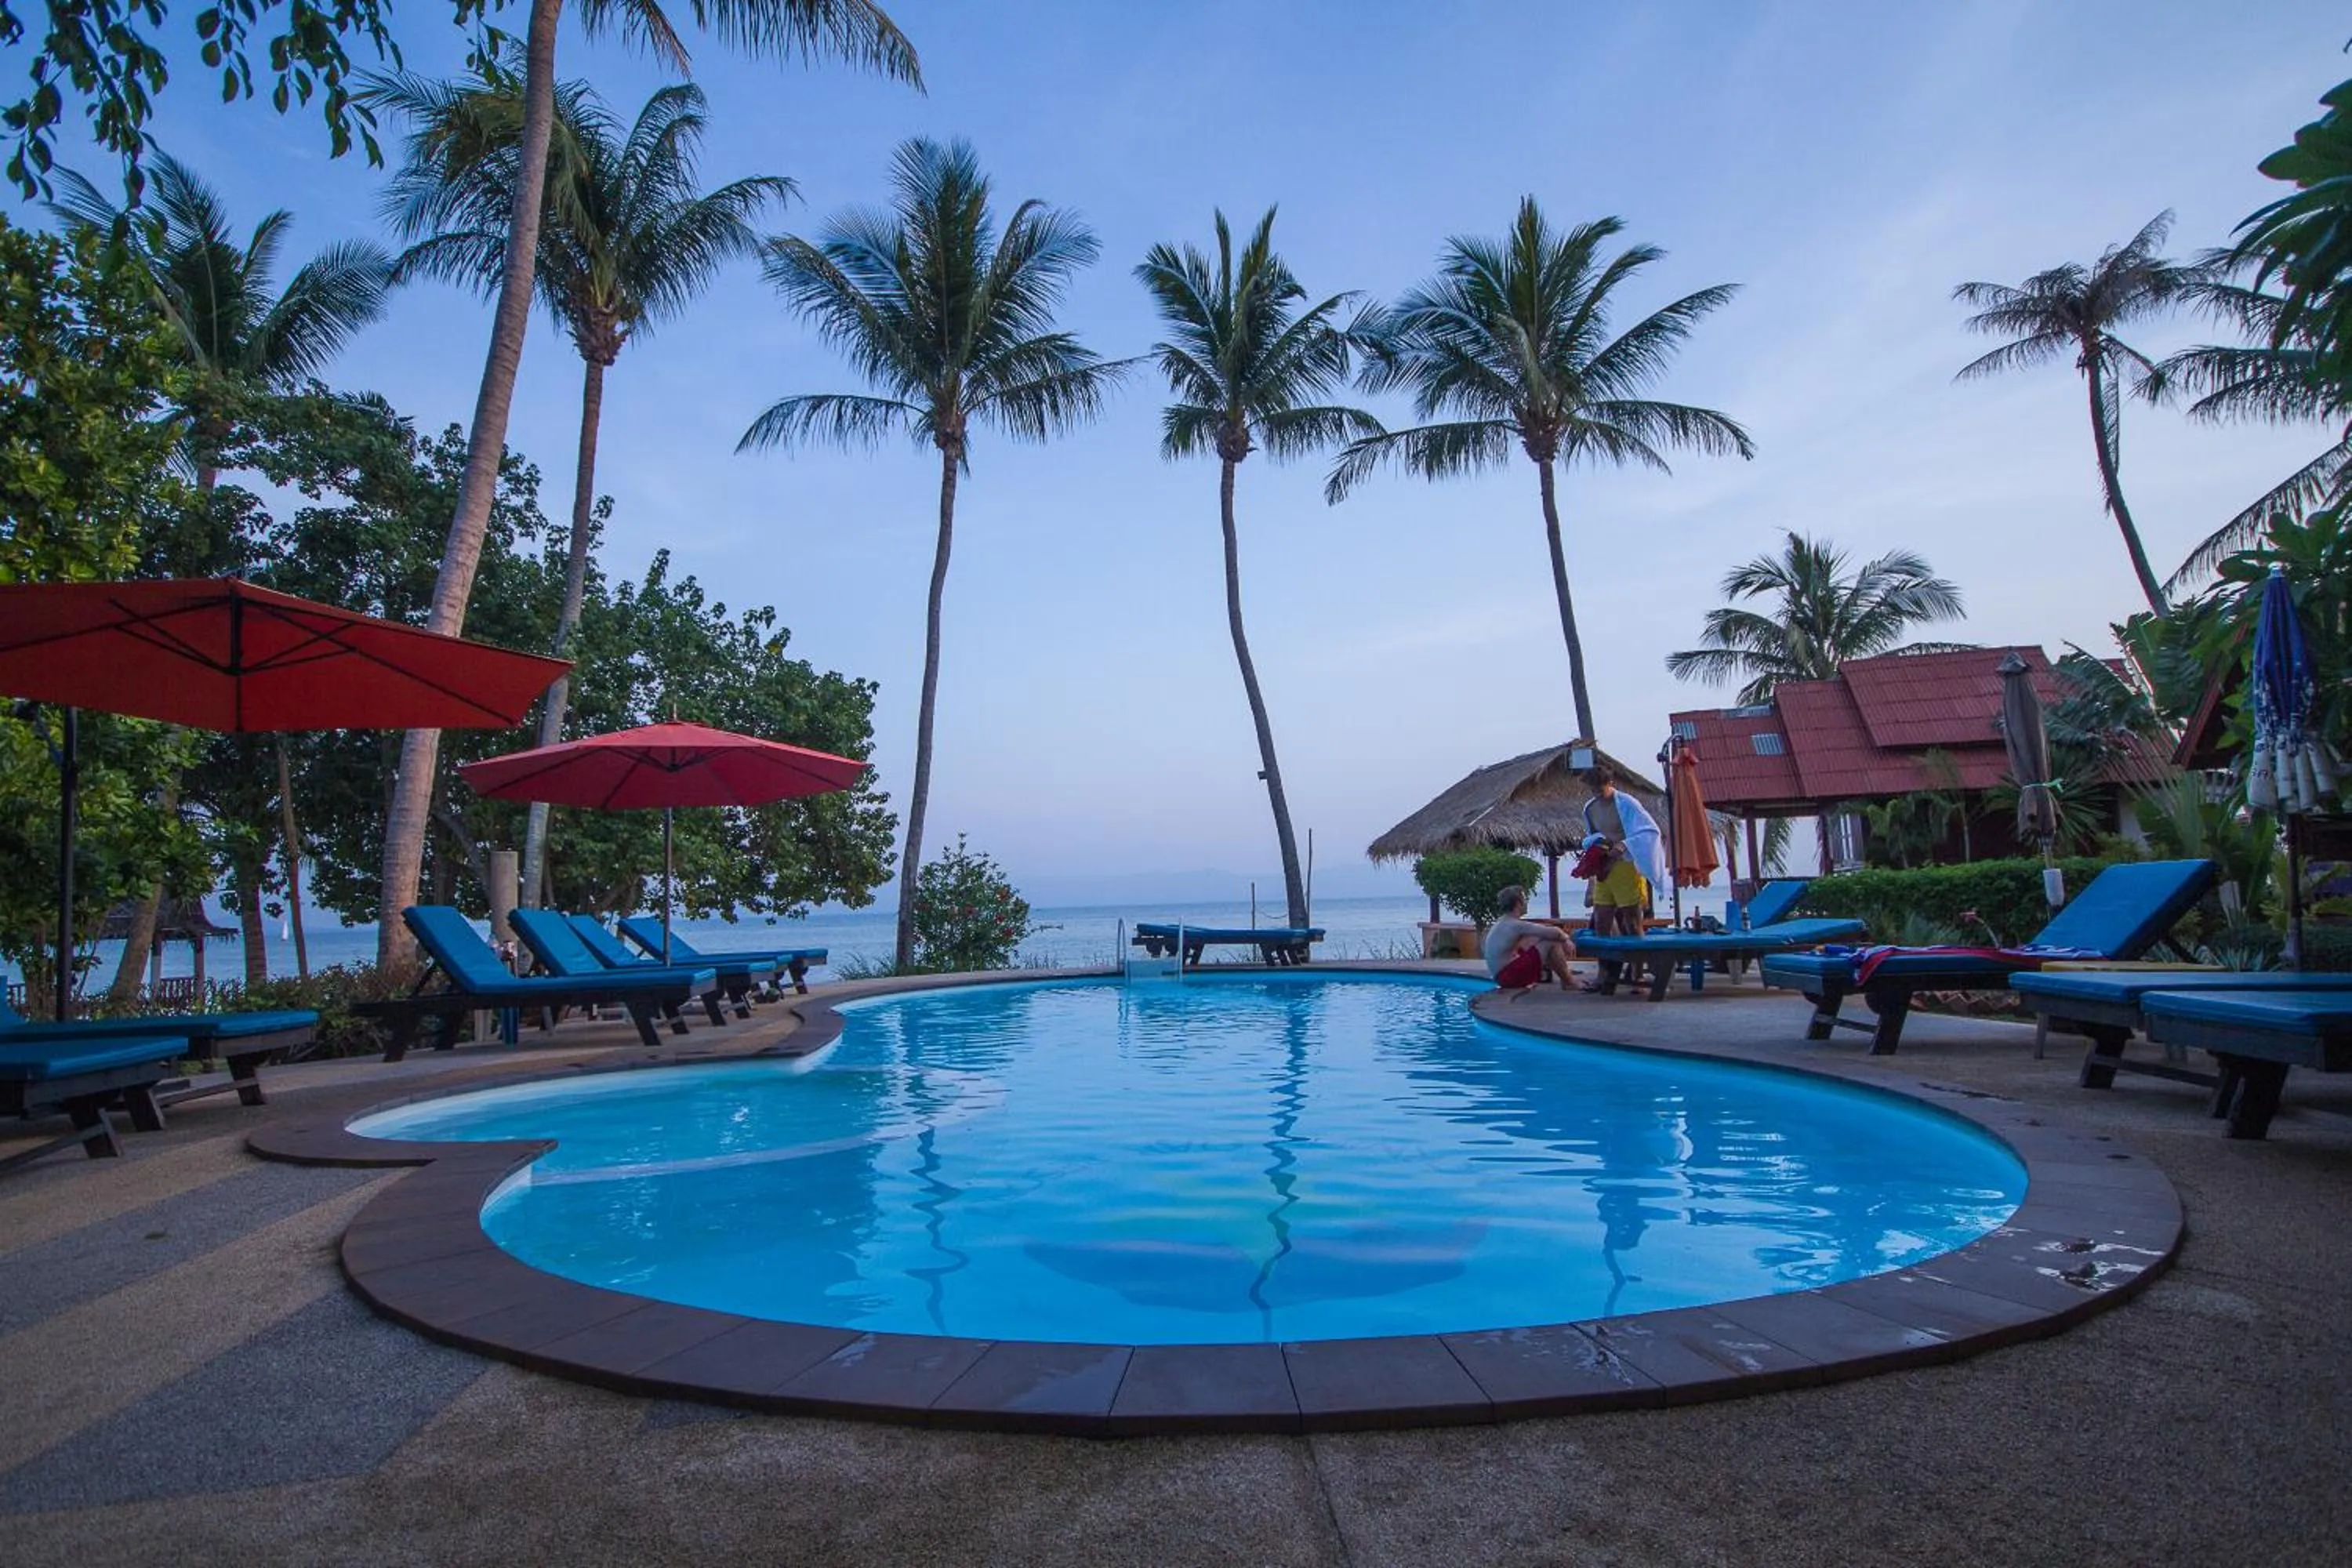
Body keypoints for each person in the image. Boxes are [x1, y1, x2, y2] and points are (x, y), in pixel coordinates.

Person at [1583, 769, 1664, 917]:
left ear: (1610, 783)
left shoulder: (1627, 803)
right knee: (1601, 917)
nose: (1597, 795)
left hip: (1626, 865)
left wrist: (1625, 844)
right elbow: (1592, 836)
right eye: (1593, 791)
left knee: (1630, 918)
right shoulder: (1590, 808)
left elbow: (1651, 831)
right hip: (1605, 867)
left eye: (1600, 790)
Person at [1481, 884, 1575, 995]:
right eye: (1525, 899)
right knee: (1551, 942)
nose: (1527, 903)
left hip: (1501, 976)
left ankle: (1564, 976)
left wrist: (1558, 937)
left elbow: (1543, 933)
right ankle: (1569, 982)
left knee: (1538, 937)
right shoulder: (1514, 925)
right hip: (1508, 976)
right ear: (1518, 903)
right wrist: (1566, 940)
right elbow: (1555, 932)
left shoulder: (1503, 922)